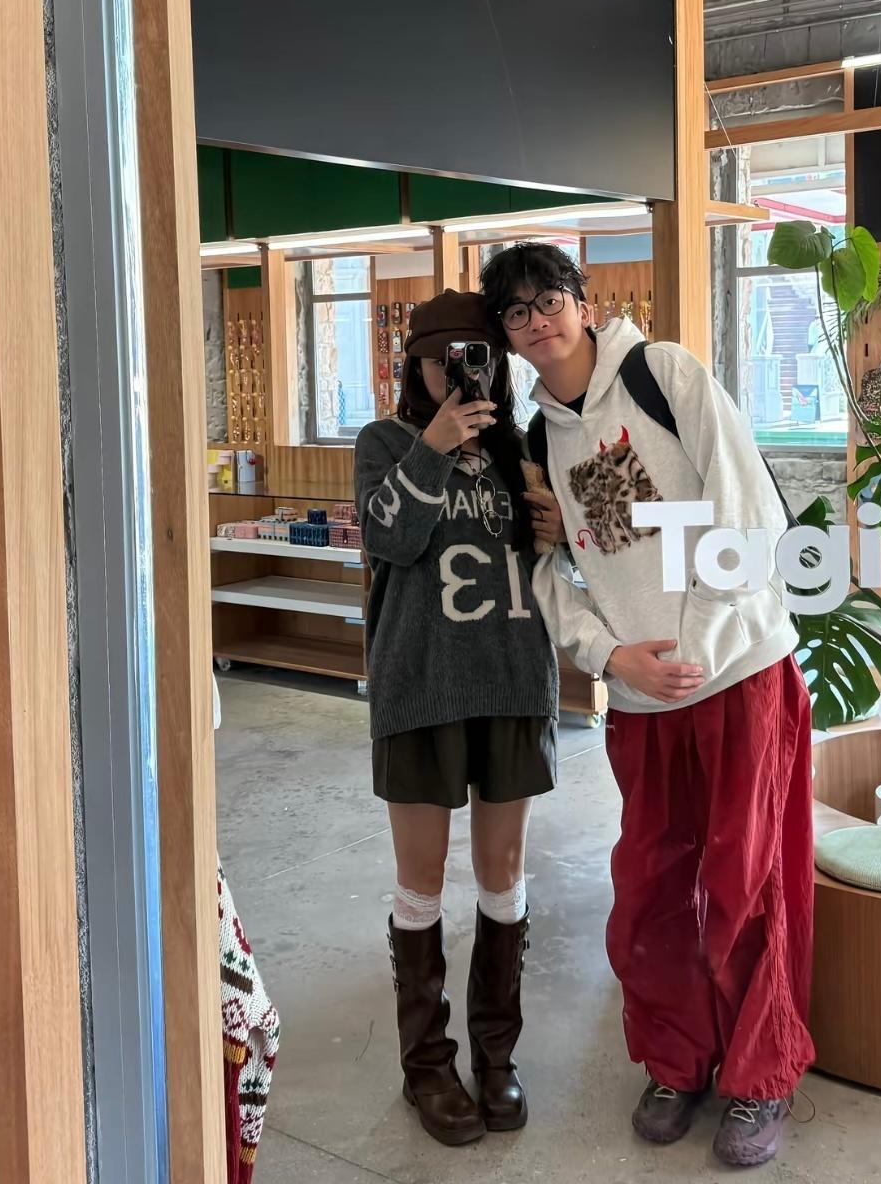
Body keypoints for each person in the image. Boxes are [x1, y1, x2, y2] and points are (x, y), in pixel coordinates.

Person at [480, 244, 814, 1170]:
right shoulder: (540, 442)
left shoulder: (664, 375)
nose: (538, 322)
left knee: (748, 882)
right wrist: (611, 656)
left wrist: (695, 644)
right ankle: (677, 1063)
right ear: (506, 335)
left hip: (739, 673)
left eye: (550, 300)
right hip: (641, 696)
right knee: (650, 891)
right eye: (517, 313)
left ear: (583, 304)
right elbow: (554, 572)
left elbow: (749, 512)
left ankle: (761, 1076)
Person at [354, 289, 560, 1149]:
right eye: (443, 360)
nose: (459, 372)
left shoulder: (526, 446)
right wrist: (434, 447)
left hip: (513, 681)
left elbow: (564, 555)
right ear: (418, 365)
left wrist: (560, 526)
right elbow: (387, 540)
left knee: (504, 875)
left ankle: (496, 1057)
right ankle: (427, 1067)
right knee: (421, 879)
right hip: (420, 684)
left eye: (474, 357)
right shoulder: (386, 442)